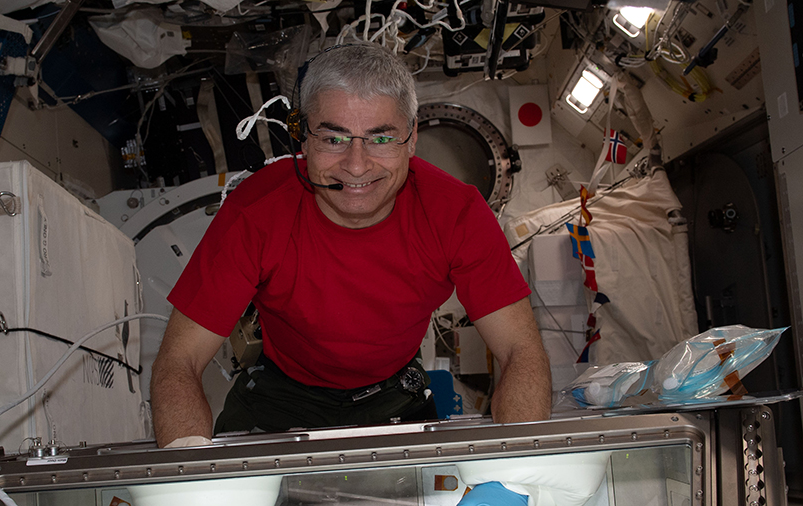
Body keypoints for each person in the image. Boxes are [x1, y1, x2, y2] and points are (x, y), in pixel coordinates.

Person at [151, 42, 551, 448]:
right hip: (279, 393)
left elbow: (521, 351)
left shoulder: (457, 215)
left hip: (396, 392)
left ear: (411, 139)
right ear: (302, 140)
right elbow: (178, 362)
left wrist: (518, 467)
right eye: (334, 139)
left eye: (381, 139)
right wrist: (188, 469)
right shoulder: (254, 213)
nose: (356, 166)